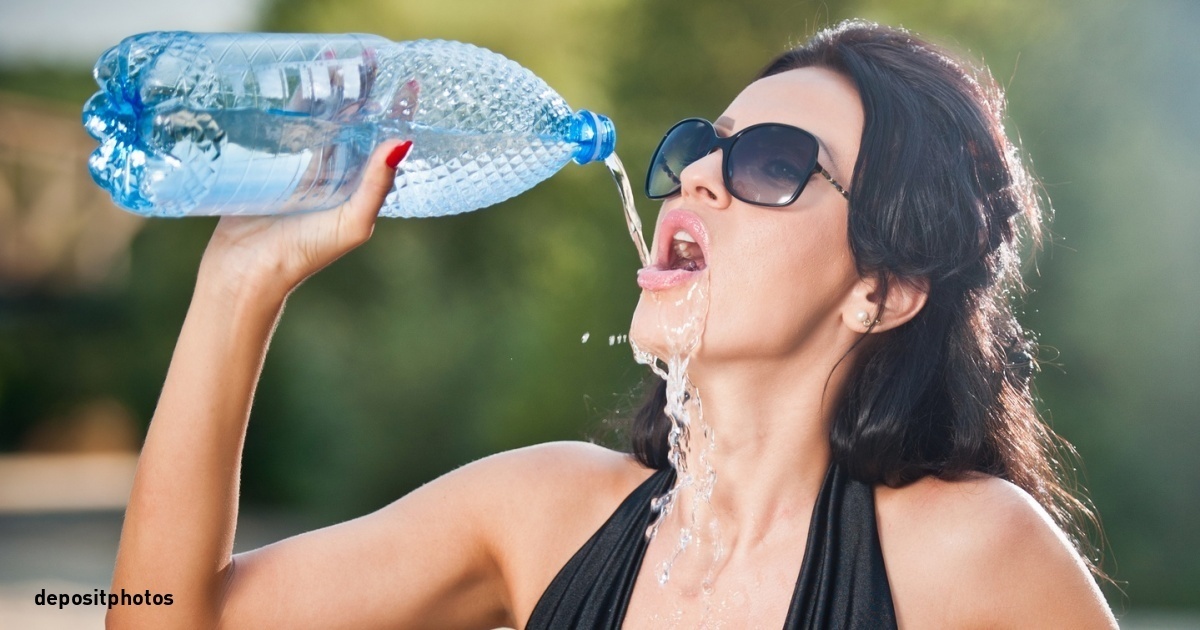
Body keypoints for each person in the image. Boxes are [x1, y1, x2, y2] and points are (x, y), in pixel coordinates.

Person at [107, 20, 1118, 629]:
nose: (703, 175)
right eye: (700, 148)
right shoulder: (543, 514)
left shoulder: (967, 555)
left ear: (884, 291)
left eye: (772, 162)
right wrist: (240, 285)